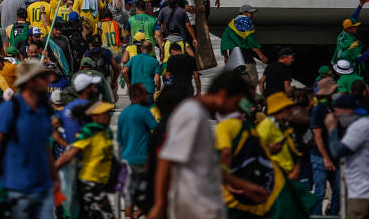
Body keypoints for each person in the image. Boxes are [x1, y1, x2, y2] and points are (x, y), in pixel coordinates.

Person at [147, 71, 269, 219]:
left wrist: (245, 186)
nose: (236, 111)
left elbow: (208, 166)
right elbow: (166, 159)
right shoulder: (192, 114)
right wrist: (160, 205)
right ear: (223, 95)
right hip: (196, 207)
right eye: (236, 103)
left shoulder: (199, 114)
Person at [0, 60, 58, 218]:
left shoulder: (43, 110)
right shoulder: (9, 109)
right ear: (30, 82)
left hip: (44, 189)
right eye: (43, 77)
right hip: (16, 191)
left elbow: (44, 147)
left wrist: (55, 178)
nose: (48, 80)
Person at [54, 101, 117, 219]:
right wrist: (53, 170)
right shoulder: (88, 131)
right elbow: (71, 153)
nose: (108, 116)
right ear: (95, 117)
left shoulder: (105, 132)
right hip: (89, 184)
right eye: (105, 113)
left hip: (100, 182)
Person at [117, 83, 158, 218]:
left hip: (126, 159)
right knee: (149, 194)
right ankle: (139, 212)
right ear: (138, 95)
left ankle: (131, 213)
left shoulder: (123, 114)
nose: (147, 96)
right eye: (145, 93)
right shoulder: (144, 111)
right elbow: (157, 130)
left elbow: (120, 139)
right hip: (142, 159)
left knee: (131, 194)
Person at [324, 102, 369, 218]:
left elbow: (336, 151)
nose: (337, 118)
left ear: (348, 111)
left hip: (361, 194)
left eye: (337, 114)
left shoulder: (359, 127)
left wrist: (332, 128)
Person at [309, 76, 340, 216]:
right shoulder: (318, 110)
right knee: (320, 192)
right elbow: (317, 136)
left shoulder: (334, 108)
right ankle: (316, 216)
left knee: (338, 191)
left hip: (334, 155)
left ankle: (333, 215)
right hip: (320, 156)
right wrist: (326, 158)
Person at [220, 4, 268, 86]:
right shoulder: (246, 20)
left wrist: (225, 56)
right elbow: (250, 40)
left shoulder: (232, 23)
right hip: (245, 56)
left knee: (237, 83)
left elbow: (224, 40)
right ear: (244, 13)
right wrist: (260, 54)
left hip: (234, 58)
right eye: (250, 13)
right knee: (252, 79)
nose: (252, 15)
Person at [333, 0, 367, 69]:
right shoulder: (349, 42)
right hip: (346, 68)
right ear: (348, 29)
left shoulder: (344, 33)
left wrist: (361, 5)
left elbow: (353, 18)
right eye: (354, 27)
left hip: (342, 66)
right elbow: (359, 60)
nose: (357, 27)